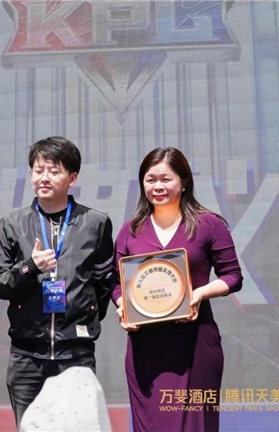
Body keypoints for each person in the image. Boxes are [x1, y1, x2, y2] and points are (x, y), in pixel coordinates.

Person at [112, 147, 243, 432]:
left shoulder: (208, 225)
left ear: (184, 182)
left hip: (195, 344)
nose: (157, 186)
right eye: (150, 180)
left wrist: (199, 294)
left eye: (166, 179)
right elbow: (115, 282)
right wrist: (123, 306)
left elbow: (233, 276)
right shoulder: (130, 230)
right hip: (146, 348)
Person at [0, 136, 115, 428]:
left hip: (76, 353)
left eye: (54, 170)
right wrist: (30, 267)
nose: (44, 177)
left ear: (73, 178)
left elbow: (103, 280)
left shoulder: (95, 223)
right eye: (38, 170)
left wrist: (86, 316)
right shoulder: (12, 224)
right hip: (26, 356)